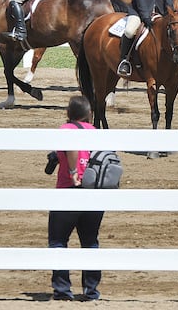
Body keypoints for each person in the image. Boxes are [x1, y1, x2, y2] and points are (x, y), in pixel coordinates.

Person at [48, 95, 103, 301]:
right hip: (94, 193)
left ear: (68, 114)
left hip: (68, 189)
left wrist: (72, 170)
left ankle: (62, 290)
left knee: (58, 240)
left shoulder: (66, 130)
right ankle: (91, 290)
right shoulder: (96, 132)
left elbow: (71, 146)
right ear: (89, 114)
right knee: (90, 242)